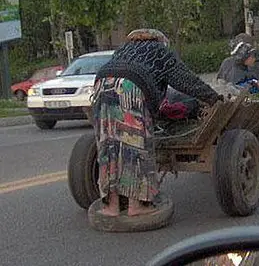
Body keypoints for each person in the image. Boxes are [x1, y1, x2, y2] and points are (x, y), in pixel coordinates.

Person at [91, 28, 222, 218]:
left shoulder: (124, 50)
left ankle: (111, 206)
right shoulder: (161, 51)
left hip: (102, 85)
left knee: (108, 145)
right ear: (160, 40)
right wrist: (213, 98)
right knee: (133, 145)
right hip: (131, 88)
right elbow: (186, 81)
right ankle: (136, 205)